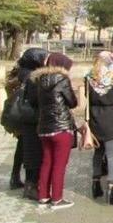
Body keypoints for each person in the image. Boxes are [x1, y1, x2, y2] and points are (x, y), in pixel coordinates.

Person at [28, 52, 77, 210]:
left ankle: (43, 196)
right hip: (61, 127)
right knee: (59, 165)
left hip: (44, 127)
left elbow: (34, 102)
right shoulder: (62, 79)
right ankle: (57, 199)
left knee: (47, 162)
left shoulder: (39, 80)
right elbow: (72, 102)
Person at [86, 51, 113, 205]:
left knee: (98, 152)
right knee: (111, 154)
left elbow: (86, 96)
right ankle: (111, 187)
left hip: (95, 117)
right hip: (112, 116)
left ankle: (96, 181)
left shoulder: (90, 78)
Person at [12, 48, 50, 200]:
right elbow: (35, 99)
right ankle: (31, 185)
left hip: (24, 118)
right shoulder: (31, 76)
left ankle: (17, 178)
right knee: (33, 152)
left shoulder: (22, 72)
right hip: (32, 119)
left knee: (24, 149)